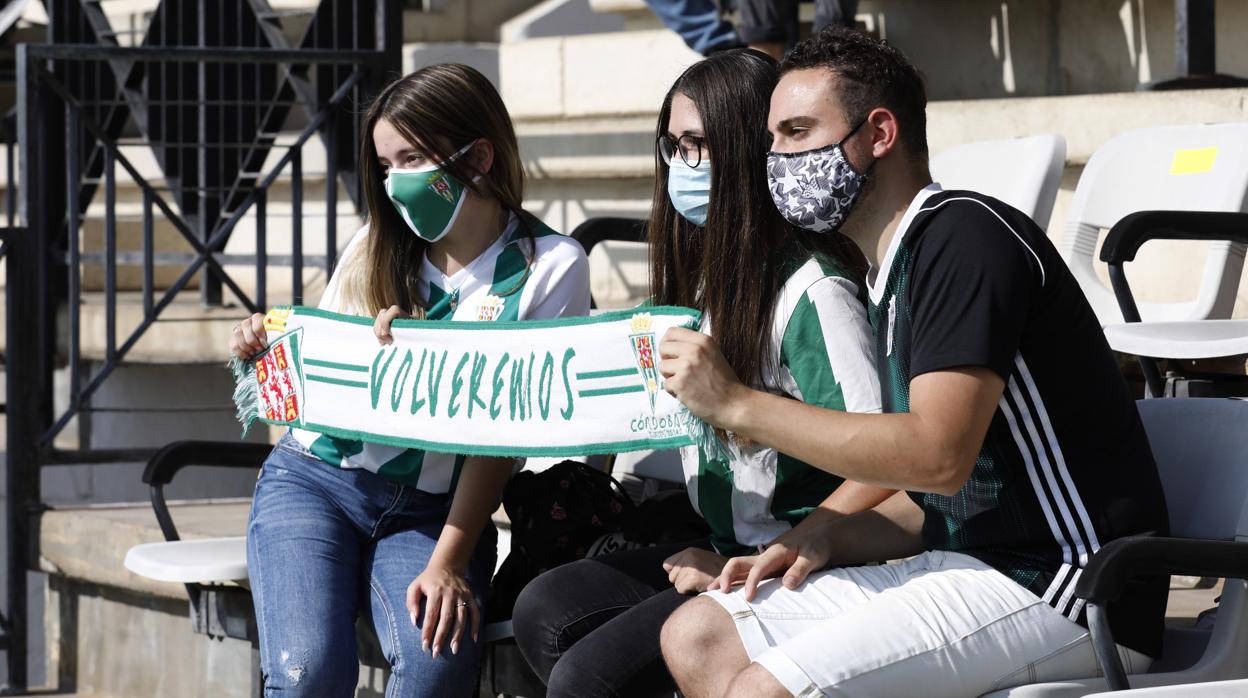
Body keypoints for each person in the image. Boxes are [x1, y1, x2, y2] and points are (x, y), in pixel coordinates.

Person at [656, 27, 1169, 698]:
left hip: (1070, 583)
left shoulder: (964, 237)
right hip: (966, 562)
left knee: (765, 690)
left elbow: (937, 457)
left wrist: (737, 404)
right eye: (771, 138)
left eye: (797, 132)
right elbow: (943, 493)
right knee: (698, 634)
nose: (774, 157)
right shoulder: (886, 270)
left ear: (879, 133)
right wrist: (821, 535)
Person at [510, 48, 893, 698]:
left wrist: (750, 559)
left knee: (585, 677)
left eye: (699, 145)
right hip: (724, 543)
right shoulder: (713, 280)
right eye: (673, 146)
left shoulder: (814, 294)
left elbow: (882, 464)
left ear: (750, 149)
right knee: (544, 608)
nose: (680, 166)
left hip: (804, 561)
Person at [228, 63, 590, 697]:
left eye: (413, 159)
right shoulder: (375, 243)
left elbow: (503, 439)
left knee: (433, 674)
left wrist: (448, 561)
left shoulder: (551, 265)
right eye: (385, 164)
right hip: (317, 480)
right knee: (306, 672)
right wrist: (261, 349)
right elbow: (313, 377)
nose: (396, 182)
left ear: (478, 158)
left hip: (434, 511)